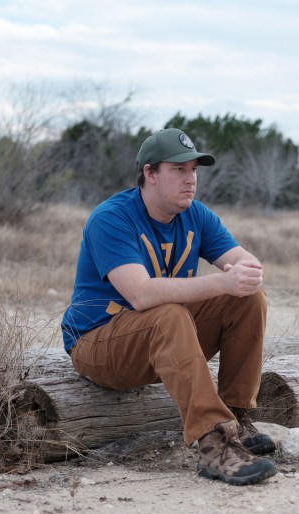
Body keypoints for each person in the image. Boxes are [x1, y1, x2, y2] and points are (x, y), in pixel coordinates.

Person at [61, 128, 276, 486]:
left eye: (193, 170)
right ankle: (212, 443)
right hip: (97, 344)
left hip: (157, 339)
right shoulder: (111, 218)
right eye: (178, 170)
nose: (190, 180)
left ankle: (236, 419)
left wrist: (245, 274)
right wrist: (223, 280)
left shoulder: (197, 216)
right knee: (168, 312)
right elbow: (141, 295)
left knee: (248, 299)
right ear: (150, 173)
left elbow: (246, 263)